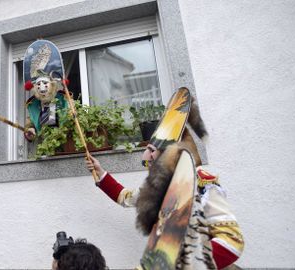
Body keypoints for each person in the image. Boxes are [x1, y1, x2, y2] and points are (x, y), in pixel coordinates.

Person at [85, 88, 244, 269]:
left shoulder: (201, 182)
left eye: (152, 150)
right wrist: (101, 173)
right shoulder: (159, 184)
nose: (147, 156)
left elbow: (231, 242)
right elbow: (126, 197)